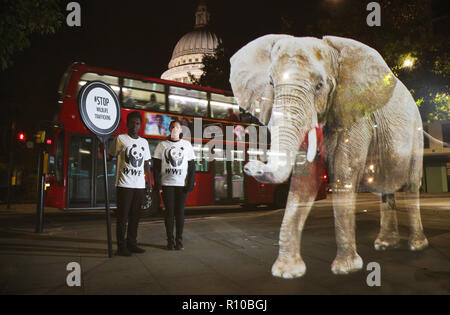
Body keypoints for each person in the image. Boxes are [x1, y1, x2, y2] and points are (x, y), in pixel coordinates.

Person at [107, 111, 152, 256]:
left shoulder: (144, 142)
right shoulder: (120, 139)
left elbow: (146, 164)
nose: (134, 125)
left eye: (137, 123)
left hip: (139, 186)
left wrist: (149, 183)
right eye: (132, 122)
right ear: (127, 124)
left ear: (140, 125)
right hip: (124, 185)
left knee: (135, 217)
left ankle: (132, 243)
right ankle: (121, 246)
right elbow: (110, 157)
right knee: (123, 217)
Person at [153, 120, 196, 250]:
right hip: (167, 184)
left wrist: (190, 182)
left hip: (181, 185)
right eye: (172, 127)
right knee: (169, 213)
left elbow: (192, 166)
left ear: (181, 130)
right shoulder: (162, 145)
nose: (175, 129)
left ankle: (179, 241)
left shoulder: (187, 145)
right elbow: (155, 166)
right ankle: (170, 242)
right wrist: (158, 183)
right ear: (169, 129)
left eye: (177, 127)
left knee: (180, 213)